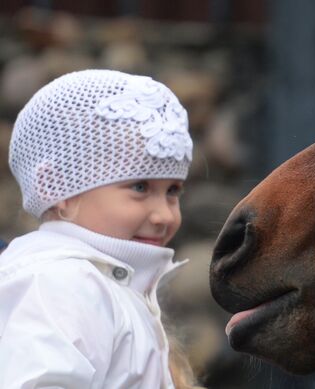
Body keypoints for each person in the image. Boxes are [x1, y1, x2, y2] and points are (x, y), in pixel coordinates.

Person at [0, 69, 200, 388]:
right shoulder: (60, 284)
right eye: (139, 187)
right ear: (60, 190)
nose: (164, 214)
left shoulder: (109, 284)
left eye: (173, 191)